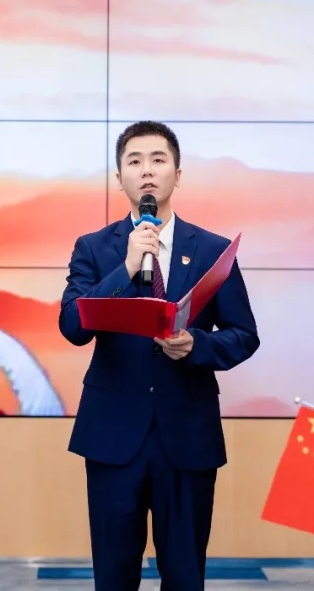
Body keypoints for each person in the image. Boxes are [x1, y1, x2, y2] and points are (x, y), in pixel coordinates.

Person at [58, 121, 260, 590]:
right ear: (120, 178)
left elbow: (244, 335)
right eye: (134, 161)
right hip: (112, 435)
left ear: (177, 173)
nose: (146, 170)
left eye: (158, 160)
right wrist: (127, 267)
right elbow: (72, 326)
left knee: (185, 575)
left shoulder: (212, 250)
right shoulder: (94, 248)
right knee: (114, 575)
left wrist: (197, 345)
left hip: (188, 434)